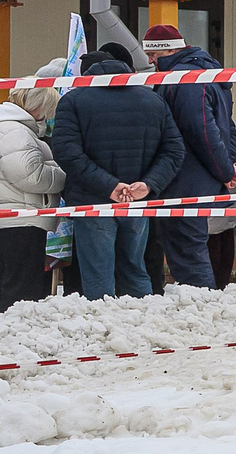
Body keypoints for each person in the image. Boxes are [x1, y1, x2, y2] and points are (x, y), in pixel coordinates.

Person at [50, 46, 182, 300]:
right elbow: (174, 151)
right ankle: (141, 323)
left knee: (98, 274)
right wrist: (148, 184)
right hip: (137, 200)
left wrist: (109, 186)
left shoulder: (74, 100)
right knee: (135, 268)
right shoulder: (153, 100)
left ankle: (104, 330)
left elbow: (67, 152)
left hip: (93, 202)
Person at [140, 22, 236, 289]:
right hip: (206, 181)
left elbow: (200, 128)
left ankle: (203, 309)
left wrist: (225, 170)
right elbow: (227, 125)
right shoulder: (210, 73)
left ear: (166, 52)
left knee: (188, 256)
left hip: (185, 183)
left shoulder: (183, 79)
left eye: (153, 55)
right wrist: (231, 164)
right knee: (196, 252)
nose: (150, 62)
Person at [0, 78, 65, 309]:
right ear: (37, 106)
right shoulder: (16, 131)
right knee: (21, 291)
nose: (48, 118)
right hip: (21, 220)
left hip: (13, 218)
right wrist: (62, 175)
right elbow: (29, 175)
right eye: (48, 111)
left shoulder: (10, 126)